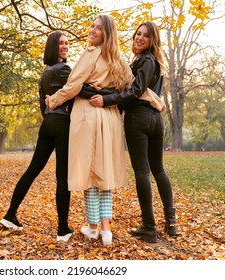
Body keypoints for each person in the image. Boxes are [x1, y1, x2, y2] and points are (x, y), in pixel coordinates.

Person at [0, 31, 109, 242]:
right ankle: (62, 229)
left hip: (47, 123)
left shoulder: (45, 72)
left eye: (67, 43)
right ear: (52, 47)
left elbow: (44, 103)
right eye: (60, 44)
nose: (65, 46)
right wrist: (105, 93)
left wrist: (51, 116)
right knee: (62, 177)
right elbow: (78, 89)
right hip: (62, 124)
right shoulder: (64, 69)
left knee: (32, 170)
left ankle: (10, 214)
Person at [46, 15, 134, 246]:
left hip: (88, 115)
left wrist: (53, 100)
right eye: (92, 26)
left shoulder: (91, 54)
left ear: (106, 33)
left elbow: (73, 85)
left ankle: (94, 228)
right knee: (103, 172)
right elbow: (134, 88)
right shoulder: (118, 59)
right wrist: (156, 100)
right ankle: (105, 230)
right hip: (110, 118)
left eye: (97, 28)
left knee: (88, 172)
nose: (92, 31)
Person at [89, 21, 178, 243]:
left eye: (145, 36)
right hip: (156, 119)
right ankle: (171, 222)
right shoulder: (152, 62)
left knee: (144, 172)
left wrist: (106, 100)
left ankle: (149, 226)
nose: (139, 38)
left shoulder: (146, 60)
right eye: (138, 34)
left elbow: (135, 91)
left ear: (152, 41)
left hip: (140, 119)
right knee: (158, 169)